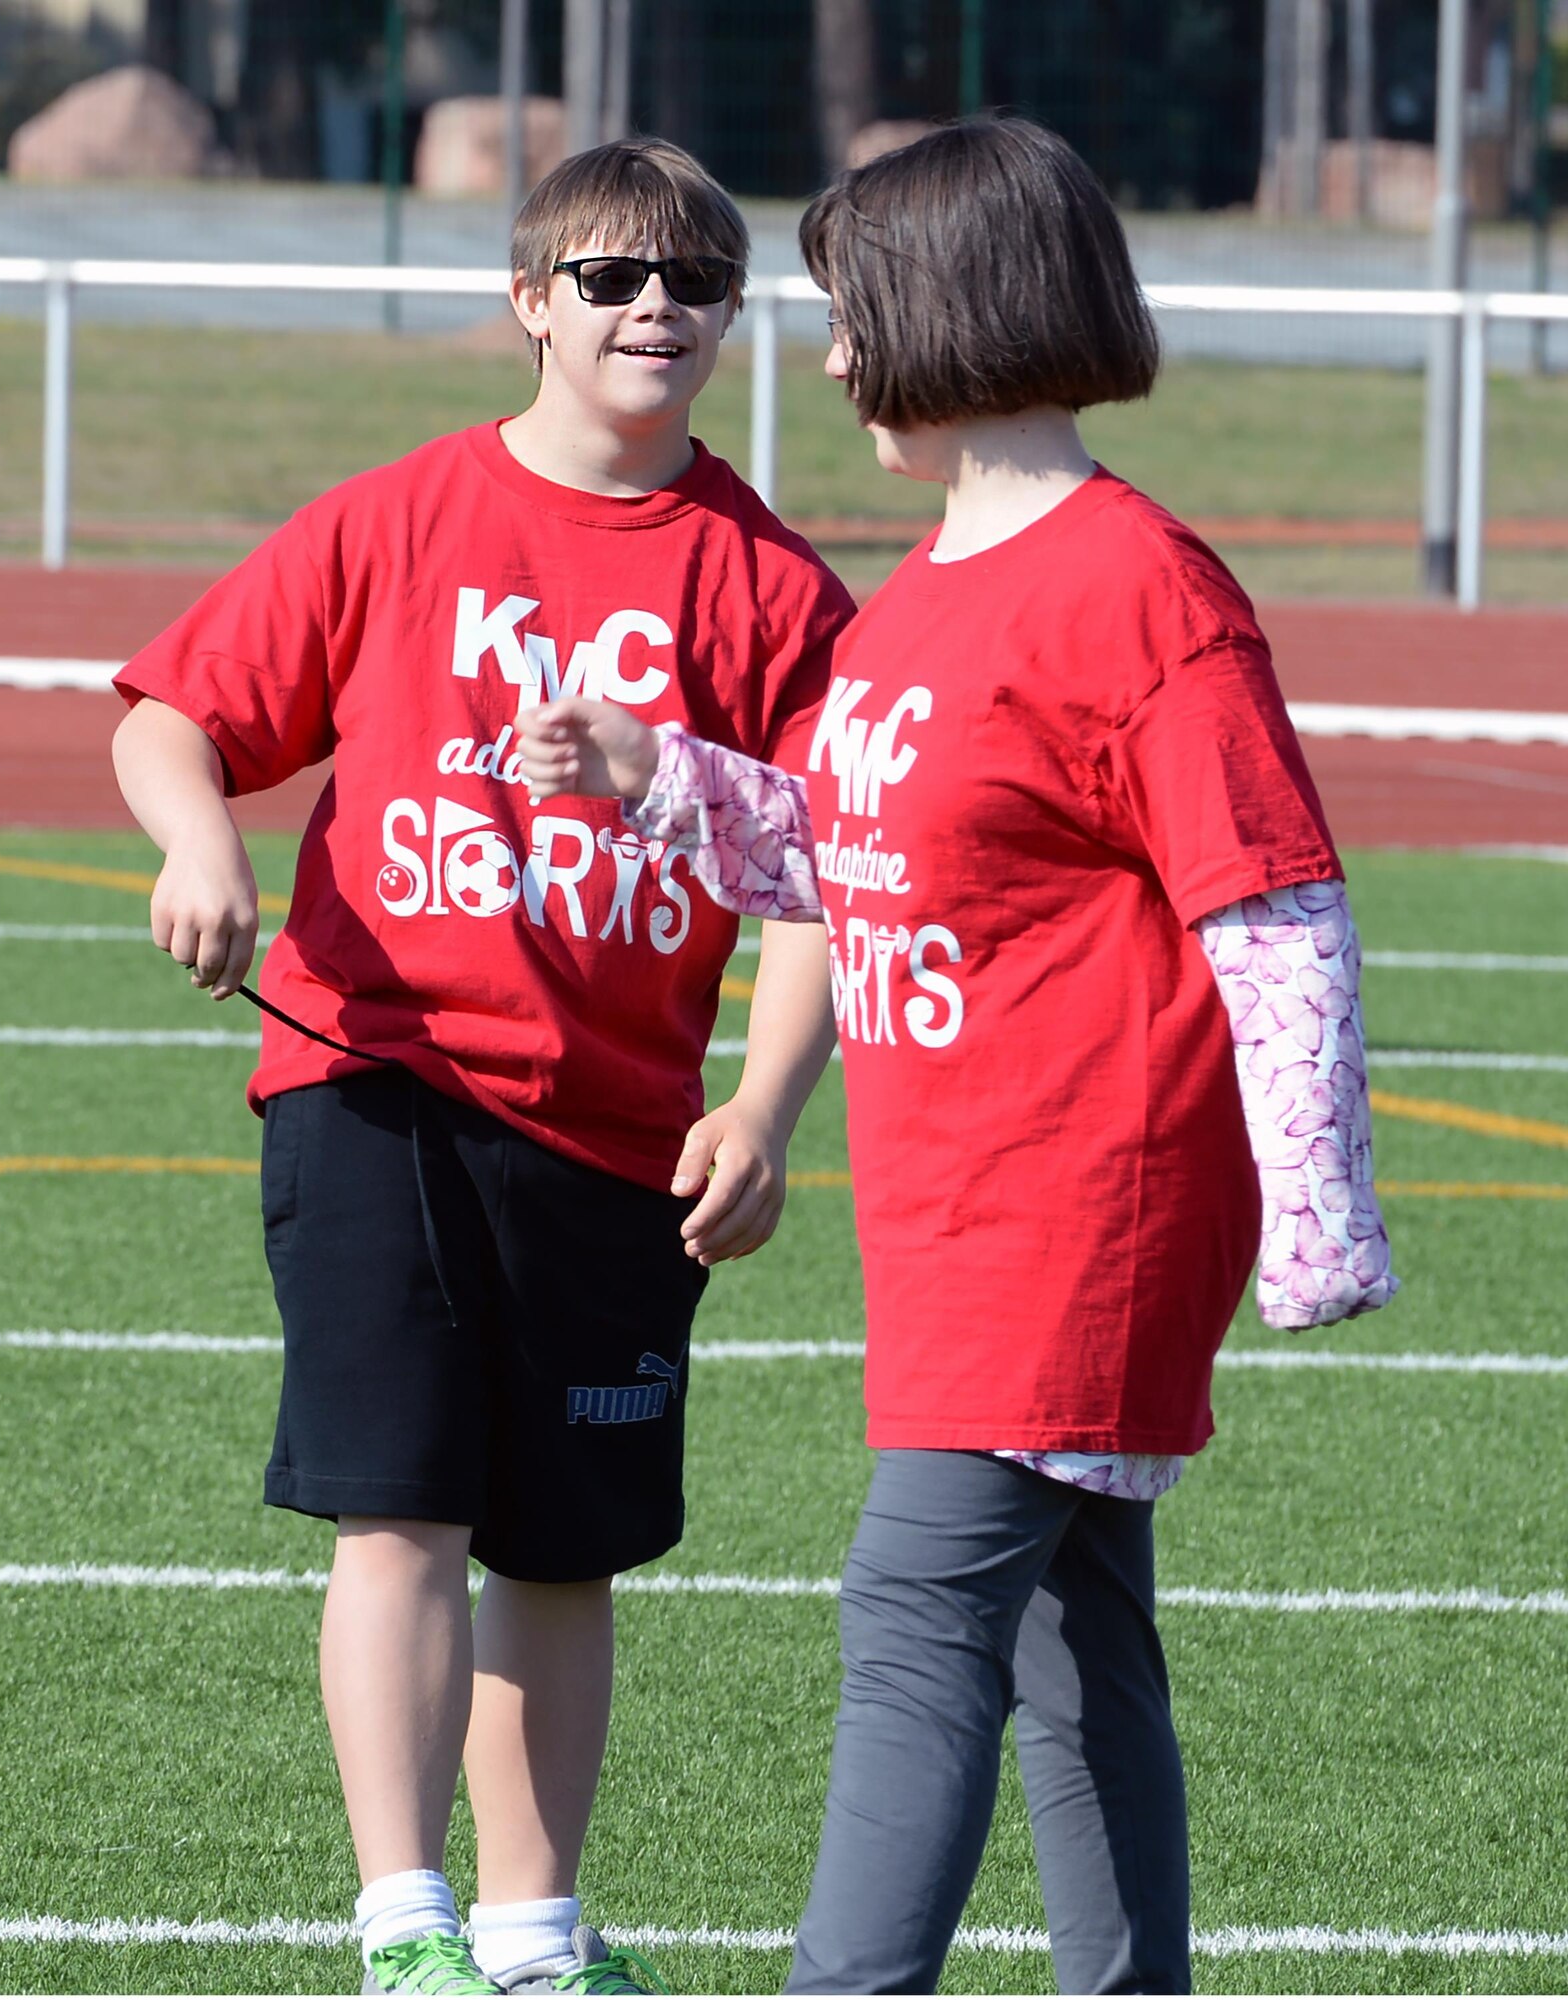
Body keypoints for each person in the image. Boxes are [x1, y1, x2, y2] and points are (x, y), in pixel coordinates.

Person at [515, 118, 1398, 1998]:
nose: (828, 361)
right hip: (950, 1214)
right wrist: (656, 776)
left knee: (914, 1620)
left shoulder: (1143, 590)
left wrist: (1321, 1219)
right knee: (1075, 1647)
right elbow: (860, 856)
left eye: (853, 316)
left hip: (1081, 1205)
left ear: (954, 312)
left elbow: (1278, 910)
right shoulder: (913, 600)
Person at [111, 138, 850, 1997]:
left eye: (692, 277)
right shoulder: (398, 518)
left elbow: (838, 875)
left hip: (616, 1136)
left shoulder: (771, 585)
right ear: (532, 304)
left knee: (568, 1545)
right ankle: (404, 1931)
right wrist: (200, 842)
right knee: (405, 1507)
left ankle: (534, 1941)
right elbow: (174, 718)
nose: (654, 305)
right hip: (378, 1080)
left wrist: (760, 1109)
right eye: (609, 277)